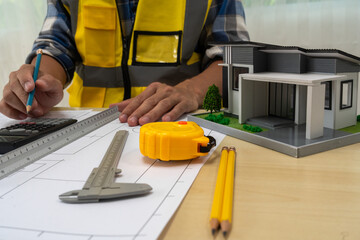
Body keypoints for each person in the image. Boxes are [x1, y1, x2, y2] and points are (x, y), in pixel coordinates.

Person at [0, 0, 249, 126]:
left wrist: (191, 92)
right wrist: (40, 80)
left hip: (180, 124)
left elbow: (234, 57)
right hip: (88, 128)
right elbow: (56, 43)